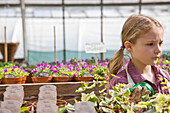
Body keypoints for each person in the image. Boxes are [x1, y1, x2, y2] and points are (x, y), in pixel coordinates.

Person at [106, 14, 170, 99]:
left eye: (160, 43)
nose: (158, 50)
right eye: (150, 44)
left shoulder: (164, 76)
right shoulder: (120, 83)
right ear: (129, 46)